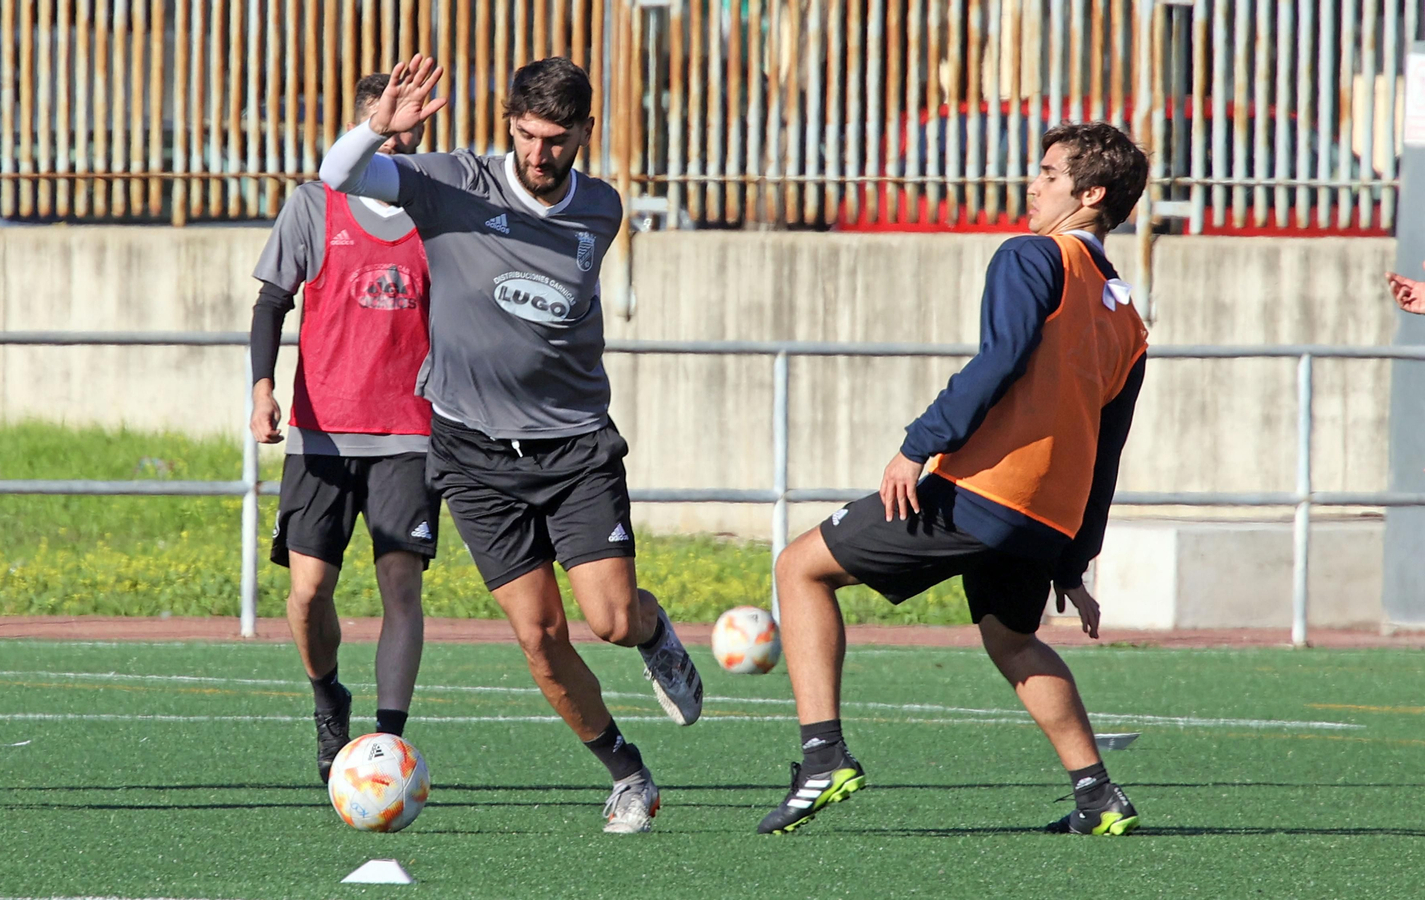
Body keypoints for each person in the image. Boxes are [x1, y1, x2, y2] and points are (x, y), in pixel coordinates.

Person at [317, 55, 703, 834]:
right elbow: (337, 176)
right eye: (527, 136)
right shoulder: (447, 181)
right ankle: (628, 776)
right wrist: (376, 129)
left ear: (585, 134)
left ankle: (655, 635)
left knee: (612, 620)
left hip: (573, 448)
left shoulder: (602, 209)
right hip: (474, 455)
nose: (539, 153)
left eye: (556, 139)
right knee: (539, 638)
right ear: (509, 127)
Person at [757, 122, 1151, 837]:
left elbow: (999, 360)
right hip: (1045, 516)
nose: (1033, 184)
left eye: (1050, 173)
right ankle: (1097, 796)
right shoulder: (1128, 318)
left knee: (799, 569)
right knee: (1014, 638)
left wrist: (919, 445)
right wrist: (1072, 556)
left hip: (985, 492)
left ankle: (822, 758)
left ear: (1091, 194)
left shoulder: (1033, 255)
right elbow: (1109, 444)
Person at [250, 73, 439, 785]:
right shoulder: (313, 203)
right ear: (361, 126)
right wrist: (264, 389)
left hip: (409, 436)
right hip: (322, 434)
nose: (397, 128)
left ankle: (387, 743)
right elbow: (273, 302)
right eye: (383, 117)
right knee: (308, 594)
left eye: (409, 118)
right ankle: (329, 696)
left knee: (401, 587)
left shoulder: (436, 208)